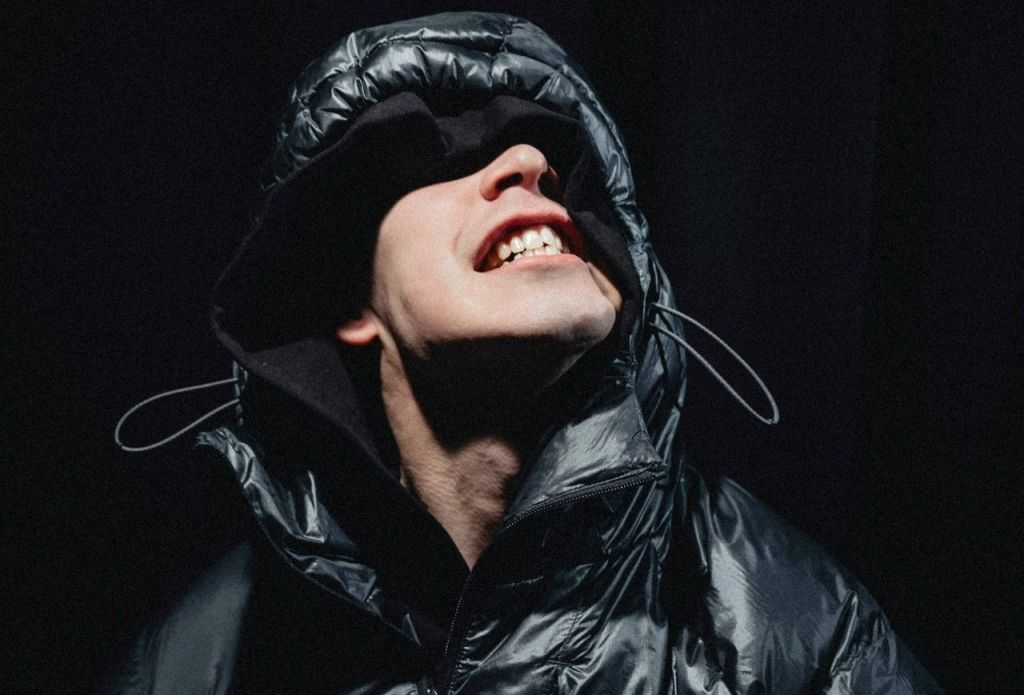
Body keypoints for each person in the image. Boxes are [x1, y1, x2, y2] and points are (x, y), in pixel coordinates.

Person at [106, 12, 942, 694]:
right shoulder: (198, 659)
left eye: (555, 156)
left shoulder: (796, 624)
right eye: (435, 154)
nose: (528, 161)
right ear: (348, 302)